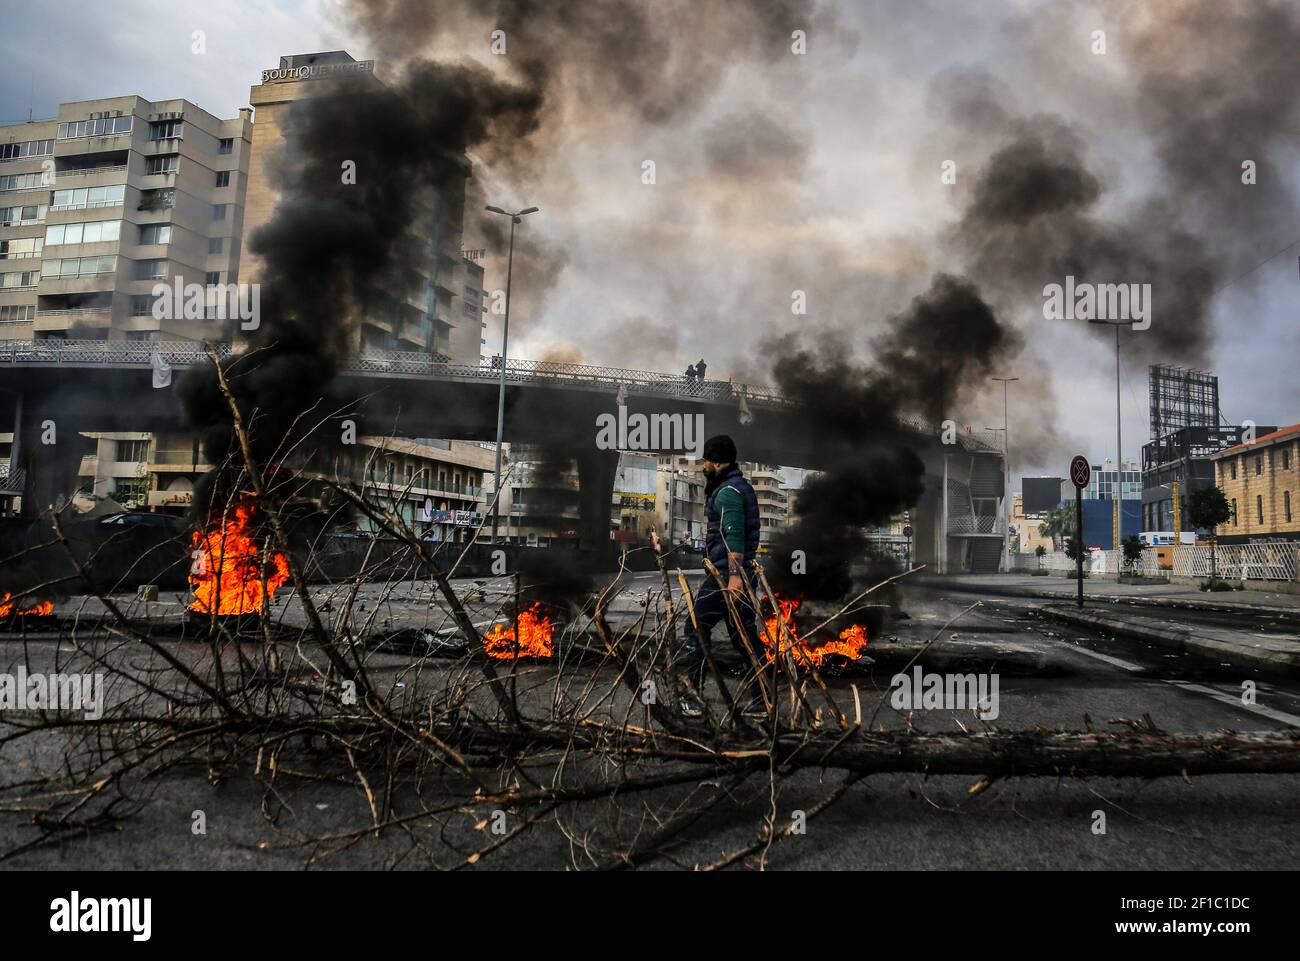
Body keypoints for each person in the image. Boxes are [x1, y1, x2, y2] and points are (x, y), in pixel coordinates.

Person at [678, 434, 767, 720]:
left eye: (705, 460)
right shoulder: (738, 487)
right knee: (744, 638)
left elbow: (735, 536)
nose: (703, 464)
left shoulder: (728, 491)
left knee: (696, 627)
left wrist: (734, 577)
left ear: (716, 462)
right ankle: (762, 698)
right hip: (736, 575)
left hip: (725, 577)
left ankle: (691, 696)